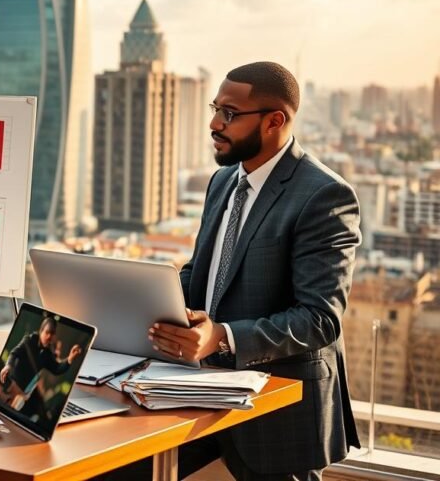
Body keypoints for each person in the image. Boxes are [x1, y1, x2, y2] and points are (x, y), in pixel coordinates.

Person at [142, 61, 361, 480]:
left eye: (229, 113)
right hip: (199, 397)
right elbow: (200, 277)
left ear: (274, 121)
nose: (214, 123)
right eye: (215, 108)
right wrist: (153, 300)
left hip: (278, 412)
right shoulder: (222, 182)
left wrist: (221, 338)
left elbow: (319, 319)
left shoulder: (324, 195)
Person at [0, 317, 82, 420]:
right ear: (41, 330)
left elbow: (57, 369)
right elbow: (14, 353)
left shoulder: (47, 353)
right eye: (47, 332)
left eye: (52, 334)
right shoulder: (29, 340)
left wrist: (70, 358)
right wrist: (8, 365)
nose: (49, 336)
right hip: (13, 383)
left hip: (23, 392)